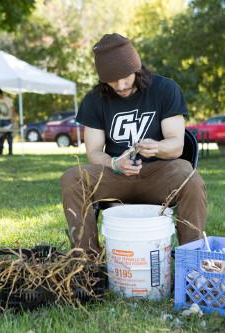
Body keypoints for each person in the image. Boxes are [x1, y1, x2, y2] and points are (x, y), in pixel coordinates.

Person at [61, 33, 207, 253]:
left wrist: (156, 147)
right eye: (112, 80)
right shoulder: (94, 100)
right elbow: (93, 152)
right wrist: (114, 163)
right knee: (72, 177)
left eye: (126, 76)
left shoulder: (165, 89)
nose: (120, 85)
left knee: (188, 174)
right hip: (116, 177)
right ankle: (86, 262)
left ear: (137, 67)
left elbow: (177, 144)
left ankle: (192, 256)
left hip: (158, 175)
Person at [0, 88, 14, 155]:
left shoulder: (8, 99)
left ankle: (10, 152)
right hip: (1, 120)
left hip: (8, 120)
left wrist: (11, 119)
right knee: (0, 136)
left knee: (9, 136)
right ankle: (0, 151)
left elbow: (11, 109)